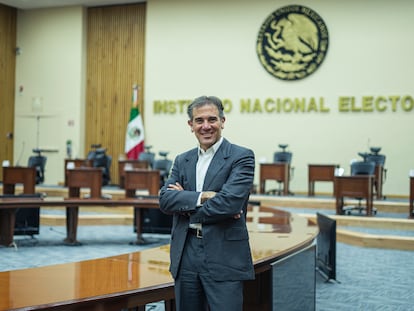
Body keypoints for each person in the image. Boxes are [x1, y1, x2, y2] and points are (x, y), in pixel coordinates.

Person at [159, 95, 255, 311]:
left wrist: (184, 204)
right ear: (190, 125)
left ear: (222, 121)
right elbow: (165, 200)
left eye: (212, 119)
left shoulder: (241, 157)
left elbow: (229, 204)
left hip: (224, 252)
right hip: (186, 252)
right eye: (199, 121)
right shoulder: (182, 160)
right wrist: (204, 197)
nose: (206, 126)